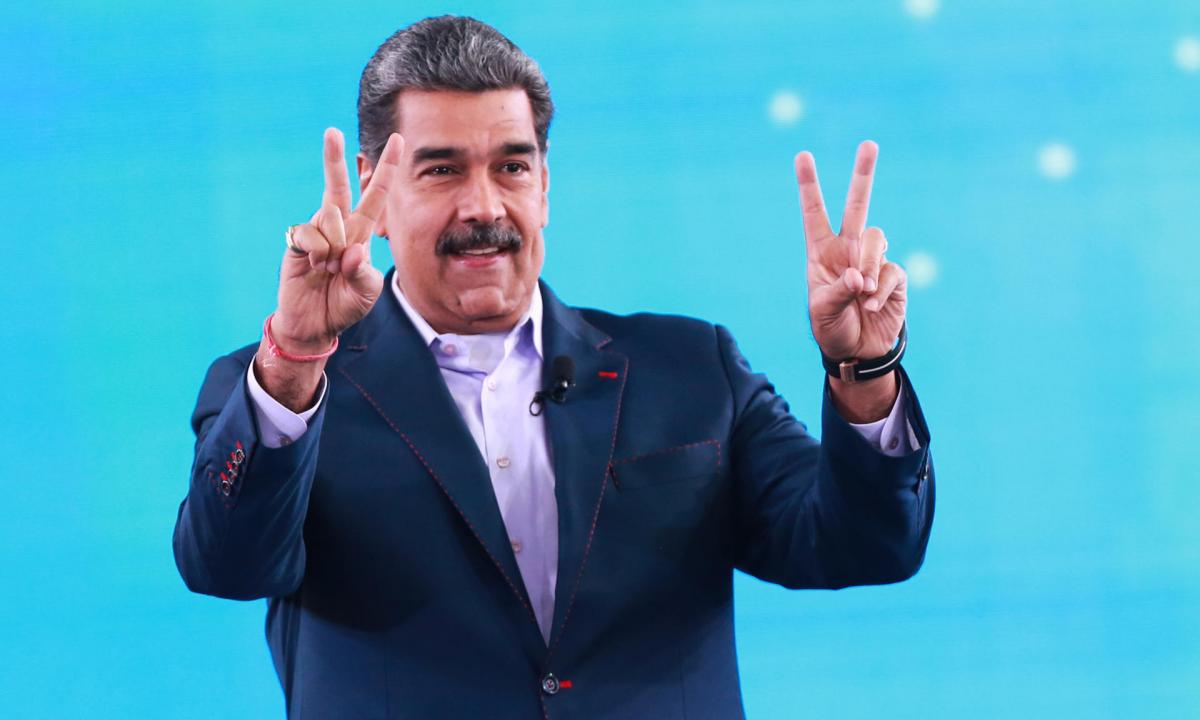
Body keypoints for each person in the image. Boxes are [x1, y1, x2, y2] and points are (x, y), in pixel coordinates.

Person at [173, 15, 934, 720]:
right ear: (376, 186)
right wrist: (296, 355)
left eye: (511, 166)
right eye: (441, 171)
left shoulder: (693, 369)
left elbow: (864, 545)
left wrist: (865, 365)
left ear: (545, 185)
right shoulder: (282, 388)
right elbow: (228, 566)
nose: (483, 206)